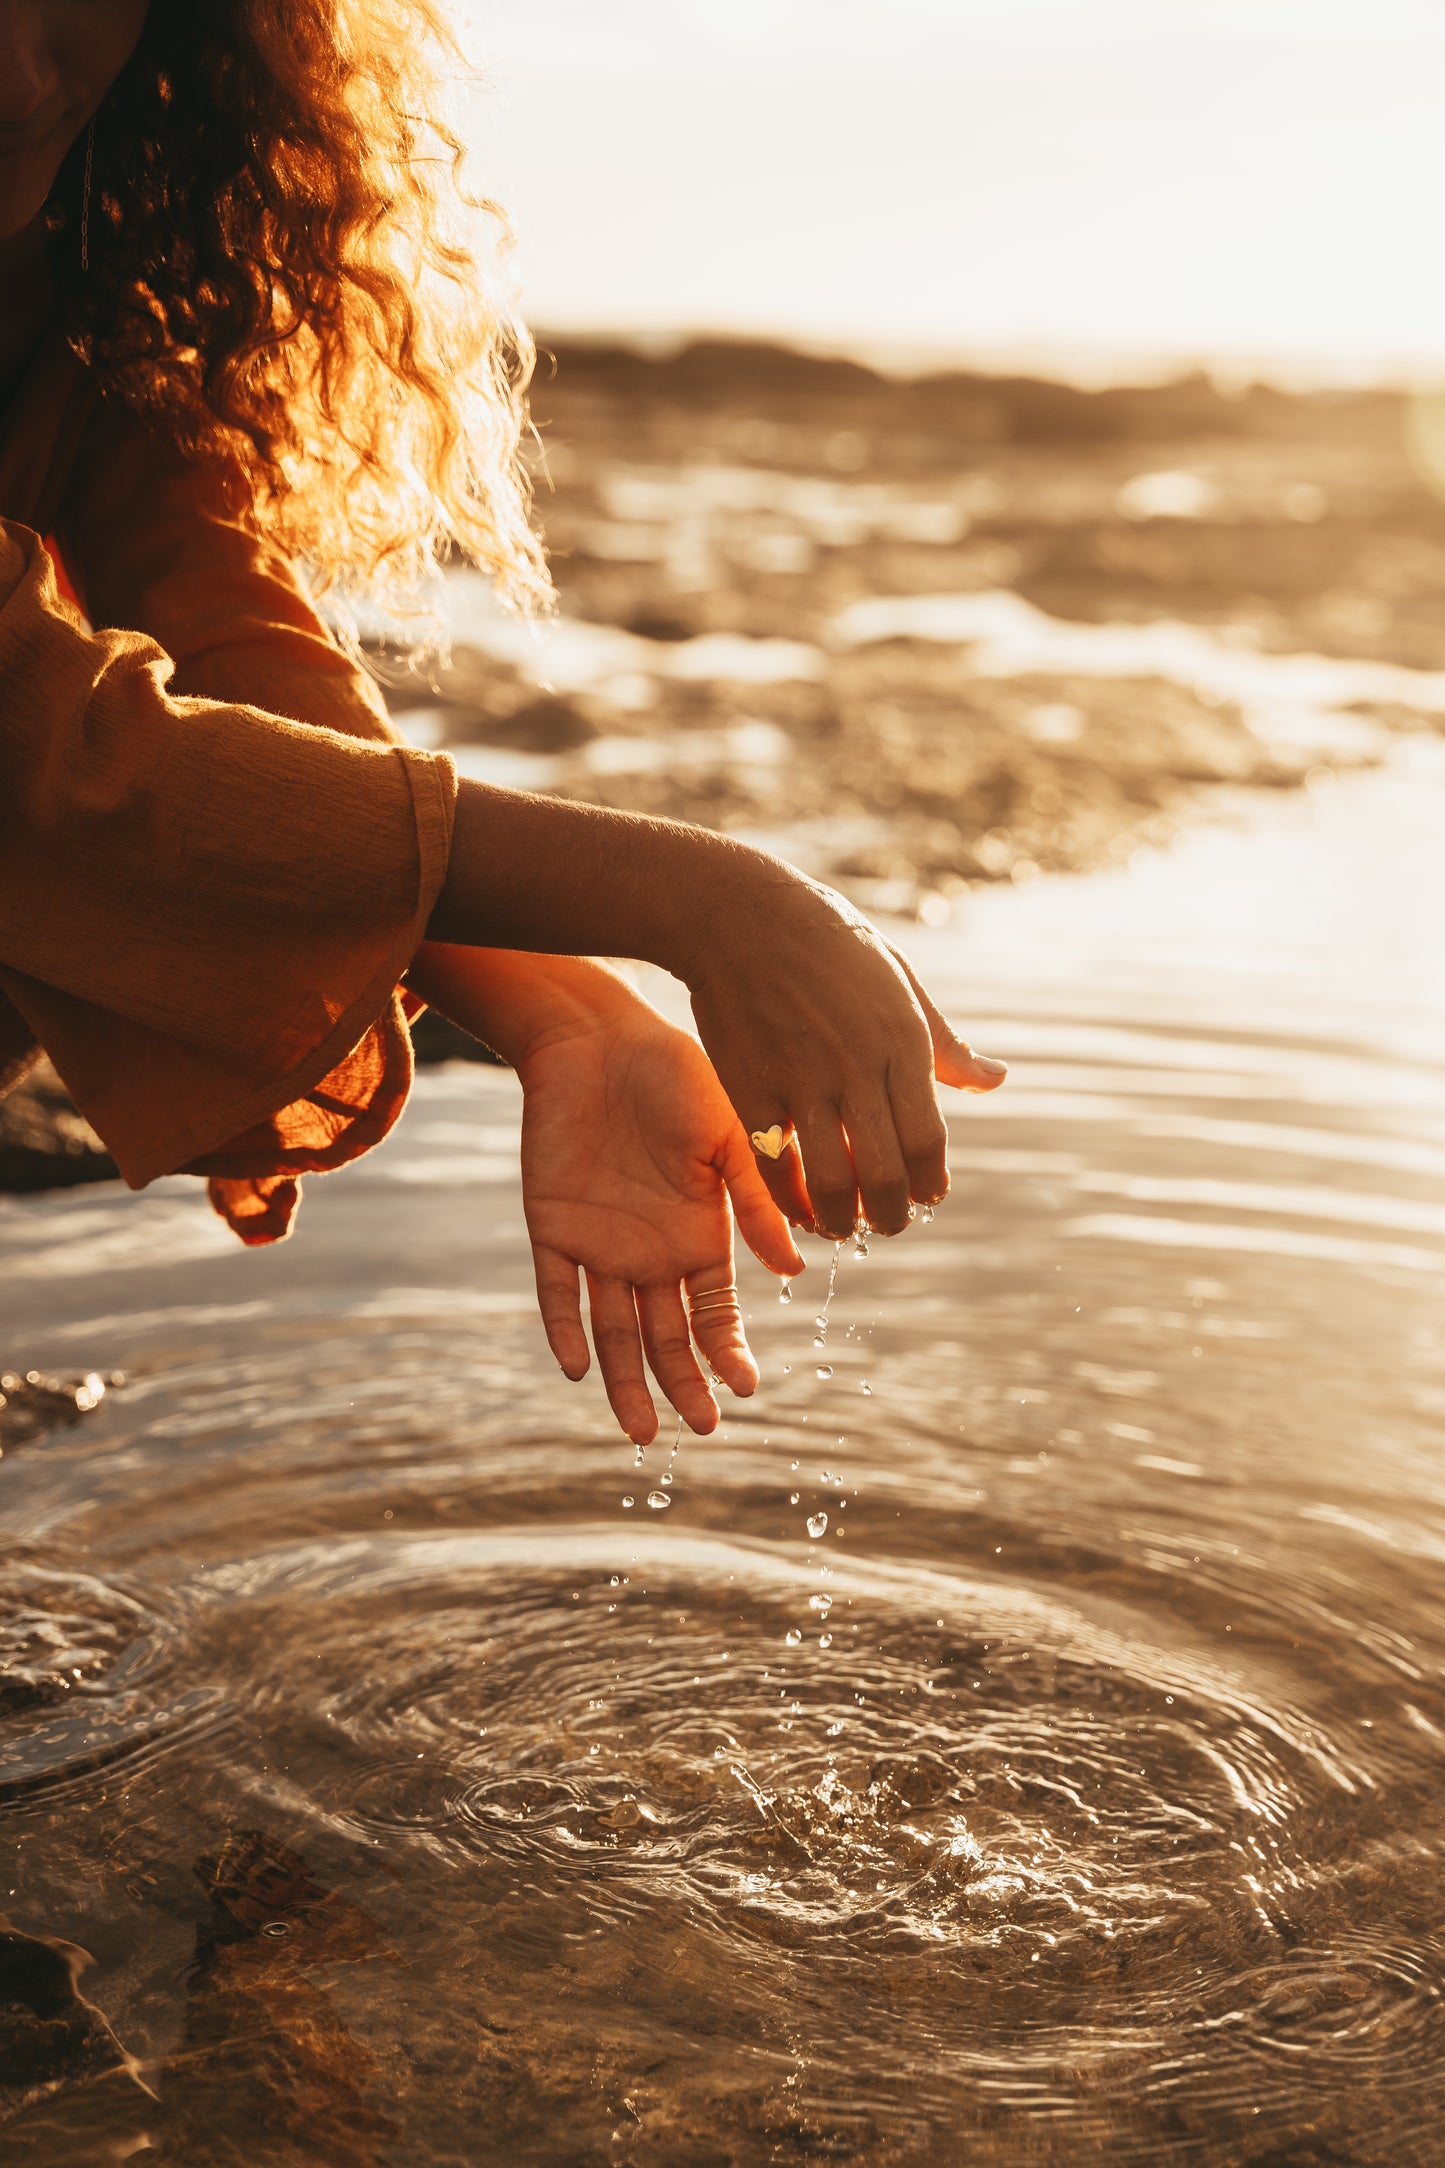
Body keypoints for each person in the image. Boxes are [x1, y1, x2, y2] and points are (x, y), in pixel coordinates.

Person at [0, 0, 1005, 1446]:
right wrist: (698, 899)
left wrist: (566, 1010)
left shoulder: (64, 299)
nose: (28, 75)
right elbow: (60, 764)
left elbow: (230, 649)